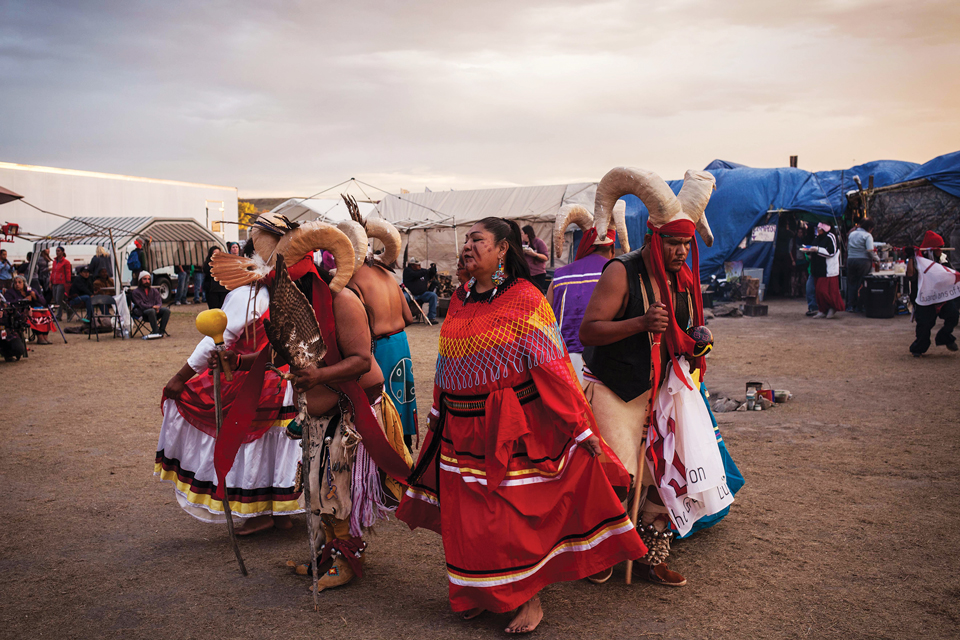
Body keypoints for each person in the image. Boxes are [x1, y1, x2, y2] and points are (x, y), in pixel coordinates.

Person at [397, 216, 646, 634]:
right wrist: (438, 411)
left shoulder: (526, 298)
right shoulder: (458, 299)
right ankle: (479, 591)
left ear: (502, 250)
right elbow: (446, 362)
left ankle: (528, 599)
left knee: (507, 519)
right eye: (467, 240)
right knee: (466, 520)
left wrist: (581, 429)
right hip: (459, 428)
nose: (468, 247)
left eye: (478, 240)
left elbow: (553, 368)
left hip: (509, 428)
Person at [218, 215, 412, 592]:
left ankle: (348, 559)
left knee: (337, 488)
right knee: (319, 486)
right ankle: (328, 553)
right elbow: (283, 354)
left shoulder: (341, 300)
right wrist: (235, 361)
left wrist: (319, 377)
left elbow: (361, 360)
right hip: (320, 413)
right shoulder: (291, 304)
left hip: (353, 409)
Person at [579, 167, 743, 588]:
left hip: (665, 389)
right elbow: (589, 331)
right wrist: (638, 324)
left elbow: (682, 333)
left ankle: (652, 554)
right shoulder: (621, 271)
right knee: (619, 476)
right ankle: (603, 554)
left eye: (686, 244)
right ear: (654, 238)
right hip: (618, 390)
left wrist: (697, 344)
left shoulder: (683, 279)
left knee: (665, 476)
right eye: (672, 242)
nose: (680, 251)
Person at [157, 219, 303, 533]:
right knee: (278, 445)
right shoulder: (293, 291)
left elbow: (213, 340)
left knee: (257, 444)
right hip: (290, 382)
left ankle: (264, 512)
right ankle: (280, 511)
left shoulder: (248, 296)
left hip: (258, 382)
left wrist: (181, 378)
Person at [339, 208, 420, 448]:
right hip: (400, 344)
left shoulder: (353, 279)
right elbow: (409, 317)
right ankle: (404, 454)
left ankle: (391, 460)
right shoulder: (389, 274)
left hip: (379, 349)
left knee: (384, 407)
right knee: (402, 402)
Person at [546, 201, 628, 384]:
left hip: (562, 362)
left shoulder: (559, 276)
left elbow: (545, 319)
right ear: (613, 248)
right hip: (603, 361)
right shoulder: (618, 273)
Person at [907, 231, 958, 356]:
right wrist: (910, 257)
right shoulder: (918, 260)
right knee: (924, 326)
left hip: (942, 298)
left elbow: (950, 275)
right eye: (938, 248)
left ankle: (944, 337)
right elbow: (911, 276)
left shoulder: (943, 259)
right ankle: (918, 348)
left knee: (953, 316)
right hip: (924, 298)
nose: (940, 250)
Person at [802, 223, 844, 318]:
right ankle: (822, 309)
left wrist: (817, 250)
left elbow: (831, 252)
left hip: (828, 270)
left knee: (825, 291)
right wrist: (809, 252)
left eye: (820, 229)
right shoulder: (817, 237)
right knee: (818, 292)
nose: (818, 230)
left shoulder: (831, 237)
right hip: (817, 268)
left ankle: (832, 308)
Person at [5, 275, 53, 344]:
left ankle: (45, 336)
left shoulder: (30, 290)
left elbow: (43, 302)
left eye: (19, 282)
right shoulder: (10, 292)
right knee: (36, 316)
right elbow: (9, 303)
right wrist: (24, 300)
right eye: (15, 283)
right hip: (20, 311)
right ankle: (40, 337)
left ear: (24, 283)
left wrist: (35, 296)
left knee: (47, 314)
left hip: (35, 309)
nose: (17, 284)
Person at [846, 219, 879, 312]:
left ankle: (850, 305)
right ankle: (860, 306)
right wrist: (877, 259)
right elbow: (870, 250)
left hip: (851, 259)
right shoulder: (867, 236)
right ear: (869, 228)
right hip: (863, 261)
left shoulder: (852, 234)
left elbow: (848, 247)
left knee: (851, 283)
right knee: (862, 283)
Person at [131, 272, 169, 337]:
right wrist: (152, 307)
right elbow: (140, 304)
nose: (147, 281)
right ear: (140, 280)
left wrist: (158, 307)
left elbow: (159, 302)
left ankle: (161, 331)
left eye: (148, 279)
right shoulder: (136, 292)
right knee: (151, 311)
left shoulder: (154, 291)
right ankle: (156, 331)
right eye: (145, 279)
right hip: (142, 312)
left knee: (166, 310)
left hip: (155, 311)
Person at [402, 257, 438, 322]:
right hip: (410, 294)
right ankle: (404, 317)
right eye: (417, 265)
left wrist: (433, 269)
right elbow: (416, 275)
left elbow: (430, 275)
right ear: (412, 265)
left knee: (433, 296)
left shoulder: (422, 271)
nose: (419, 266)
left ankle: (432, 317)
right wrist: (427, 271)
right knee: (404, 297)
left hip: (422, 294)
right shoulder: (407, 271)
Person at [521, 224, 549, 292]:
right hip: (526, 274)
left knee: (536, 293)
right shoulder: (523, 243)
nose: (521, 235)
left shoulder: (539, 242)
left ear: (526, 234)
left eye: (522, 233)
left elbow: (545, 257)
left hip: (538, 274)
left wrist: (534, 254)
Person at [50, 246, 72, 321]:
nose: (57, 252)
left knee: (58, 299)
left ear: (62, 252)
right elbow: (53, 272)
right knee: (56, 299)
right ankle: (68, 309)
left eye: (58, 251)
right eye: (56, 251)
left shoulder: (66, 262)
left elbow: (68, 272)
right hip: (55, 282)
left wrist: (68, 282)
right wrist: (51, 281)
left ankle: (59, 315)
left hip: (61, 282)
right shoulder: (55, 262)